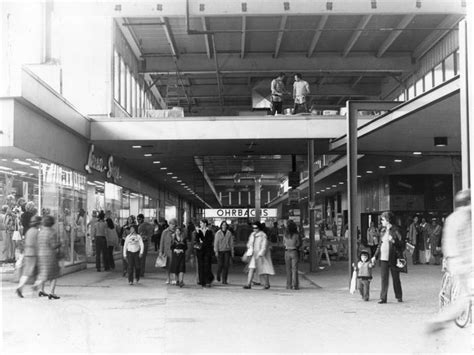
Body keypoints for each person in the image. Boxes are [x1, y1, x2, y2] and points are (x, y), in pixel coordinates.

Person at [427, 189, 471, 333]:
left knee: (465, 295)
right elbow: (467, 242)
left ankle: (441, 320)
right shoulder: (464, 218)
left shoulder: (452, 218)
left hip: (453, 261)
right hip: (462, 262)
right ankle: (440, 321)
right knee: (465, 296)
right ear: (467, 203)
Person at [371, 211, 405, 304]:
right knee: (384, 278)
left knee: (395, 278)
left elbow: (402, 244)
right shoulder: (382, 230)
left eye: (383, 219)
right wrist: (375, 256)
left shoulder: (396, 230)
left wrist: (393, 240)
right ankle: (383, 298)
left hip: (393, 257)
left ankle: (399, 296)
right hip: (383, 258)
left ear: (388, 220)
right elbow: (379, 245)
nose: (381, 221)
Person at [33, 215, 61, 300]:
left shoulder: (40, 231)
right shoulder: (52, 232)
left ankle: (42, 290)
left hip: (41, 255)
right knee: (54, 274)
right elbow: (53, 245)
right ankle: (52, 293)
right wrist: (60, 244)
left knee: (43, 273)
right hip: (50, 255)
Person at [15, 216, 42, 298]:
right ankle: (28, 287)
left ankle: (22, 286)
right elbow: (38, 244)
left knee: (27, 272)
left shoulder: (29, 231)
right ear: (38, 224)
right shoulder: (37, 232)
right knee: (37, 272)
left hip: (27, 253)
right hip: (34, 254)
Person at [243, 222, 275, 290]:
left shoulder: (263, 235)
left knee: (263, 269)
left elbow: (264, 245)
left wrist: (261, 253)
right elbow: (249, 243)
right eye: (253, 228)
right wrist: (249, 248)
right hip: (253, 254)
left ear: (259, 228)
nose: (254, 229)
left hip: (260, 255)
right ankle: (248, 283)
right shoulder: (252, 235)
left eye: (256, 228)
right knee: (251, 268)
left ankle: (267, 283)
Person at [195, 218, 214, 287]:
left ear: (205, 224)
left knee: (207, 265)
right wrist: (197, 233)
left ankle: (208, 280)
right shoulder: (198, 232)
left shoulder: (209, 231)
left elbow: (209, 241)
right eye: (200, 223)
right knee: (201, 266)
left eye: (201, 223)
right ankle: (202, 281)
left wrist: (202, 242)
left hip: (207, 251)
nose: (200, 225)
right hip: (200, 251)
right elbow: (197, 241)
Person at [160, 218, 177, 284]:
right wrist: (161, 251)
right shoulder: (165, 232)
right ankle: (168, 278)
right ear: (169, 224)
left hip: (175, 251)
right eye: (172, 224)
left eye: (174, 225)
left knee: (175, 265)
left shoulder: (177, 231)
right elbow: (161, 242)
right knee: (168, 265)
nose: (173, 226)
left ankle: (174, 278)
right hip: (167, 251)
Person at [284, 221, 300, 290]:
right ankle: (294, 285)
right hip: (294, 251)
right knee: (294, 269)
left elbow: (283, 243)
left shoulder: (285, 235)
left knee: (288, 269)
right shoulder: (296, 235)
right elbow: (298, 244)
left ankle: (288, 285)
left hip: (287, 252)